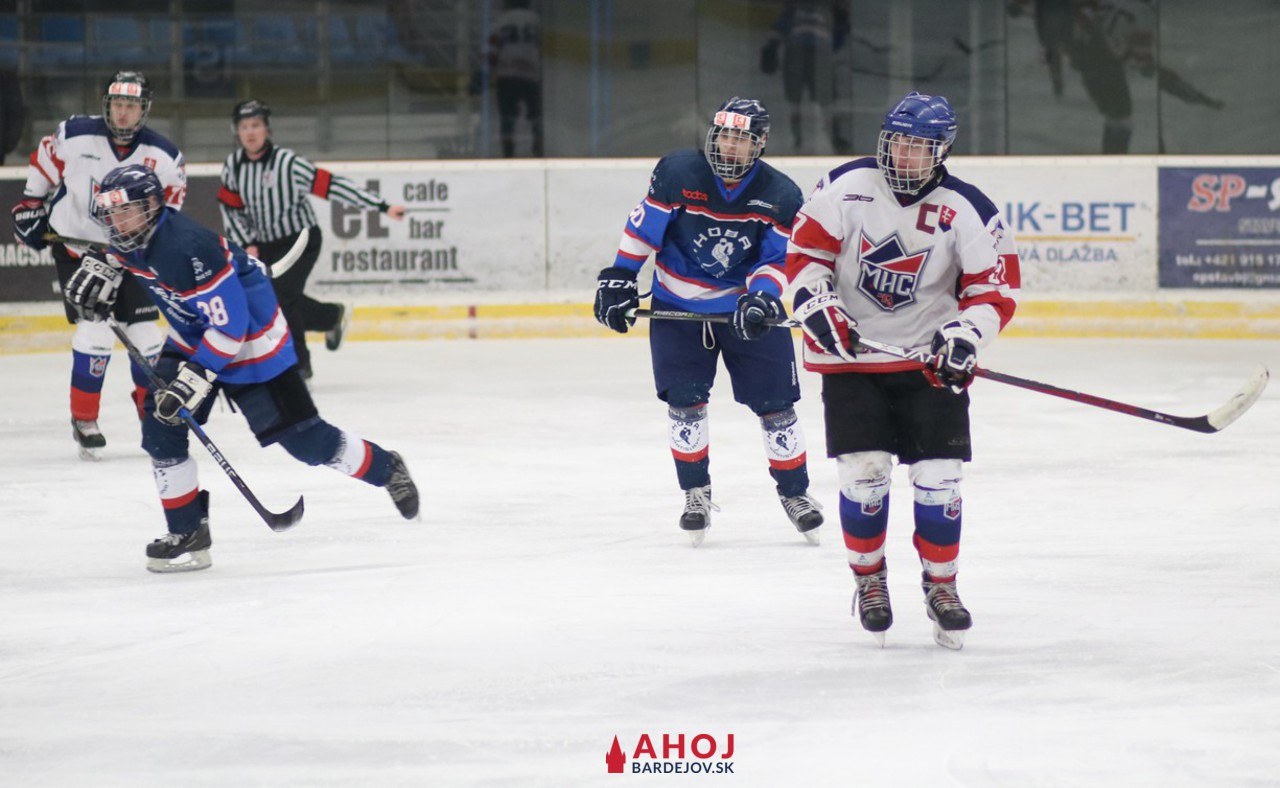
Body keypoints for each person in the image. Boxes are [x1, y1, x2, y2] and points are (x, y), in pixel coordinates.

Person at [64, 164, 421, 573]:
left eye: (125, 211)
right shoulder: (131, 236)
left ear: (152, 207)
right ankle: (187, 530)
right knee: (162, 423)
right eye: (111, 213)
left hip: (253, 342)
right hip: (194, 333)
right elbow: (118, 254)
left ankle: (387, 468)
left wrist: (193, 379)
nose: (117, 222)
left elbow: (231, 327)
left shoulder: (187, 247)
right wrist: (103, 267)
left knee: (307, 443)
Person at [785, 91, 1020, 649]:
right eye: (896, 142)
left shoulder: (967, 207)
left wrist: (965, 336)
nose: (903, 155)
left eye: (918, 147)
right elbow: (804, 257)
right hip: (852, 361)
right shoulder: (846, 186)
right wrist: (816, 302)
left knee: (940, 477)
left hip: (927, 365)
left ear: (942, 152)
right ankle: (869, 582)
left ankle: (942, 586)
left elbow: (993, 291)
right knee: (863, 475)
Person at [594, 96, 824, 547]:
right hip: (677, 308)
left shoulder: (780, 195)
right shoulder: (679, 174)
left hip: (744, 312)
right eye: (723, 136)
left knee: (777, 406)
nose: (729, 146)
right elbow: (643, 230)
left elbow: (778, 259)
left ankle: (795, 493)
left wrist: (762, 298)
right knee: (685, 403)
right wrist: (621, 275)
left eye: (740, 139)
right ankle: (695, 494)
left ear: (759, 143)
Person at [11, 71, 186, 460]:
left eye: (132, 106)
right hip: (78, 251)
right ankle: (84, 419)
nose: (123, 113)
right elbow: (44, 160)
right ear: (107, 105)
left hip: (132, 257)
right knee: (95, 331)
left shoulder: (164, 157)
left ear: (144, 110)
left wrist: (131, 252)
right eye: (117, 104)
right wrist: (30, 203)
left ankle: (152, 417)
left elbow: (168, 214)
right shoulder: (75, 134)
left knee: (147, 338)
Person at [217, 99, 406, 380]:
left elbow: (334, 187)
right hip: (264, 244)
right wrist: (247, 242)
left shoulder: (289, 164)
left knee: (283, 297)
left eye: (255, 125)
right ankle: (331, 316)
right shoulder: (233, 166)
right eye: (244, 127)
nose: (250, 132)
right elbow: (230, 209)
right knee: (272, 299)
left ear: (267, 129)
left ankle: (299, 366)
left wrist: (381, 206)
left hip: (300, 240)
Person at [486, 0, 543, 157]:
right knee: (536, 115)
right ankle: (538, 147)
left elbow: (492, 52)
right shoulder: (536, 20)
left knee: (507, 117)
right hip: (531, 75)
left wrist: (488, 71)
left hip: (507, 75)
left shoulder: (500, 22)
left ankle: (508, 151)